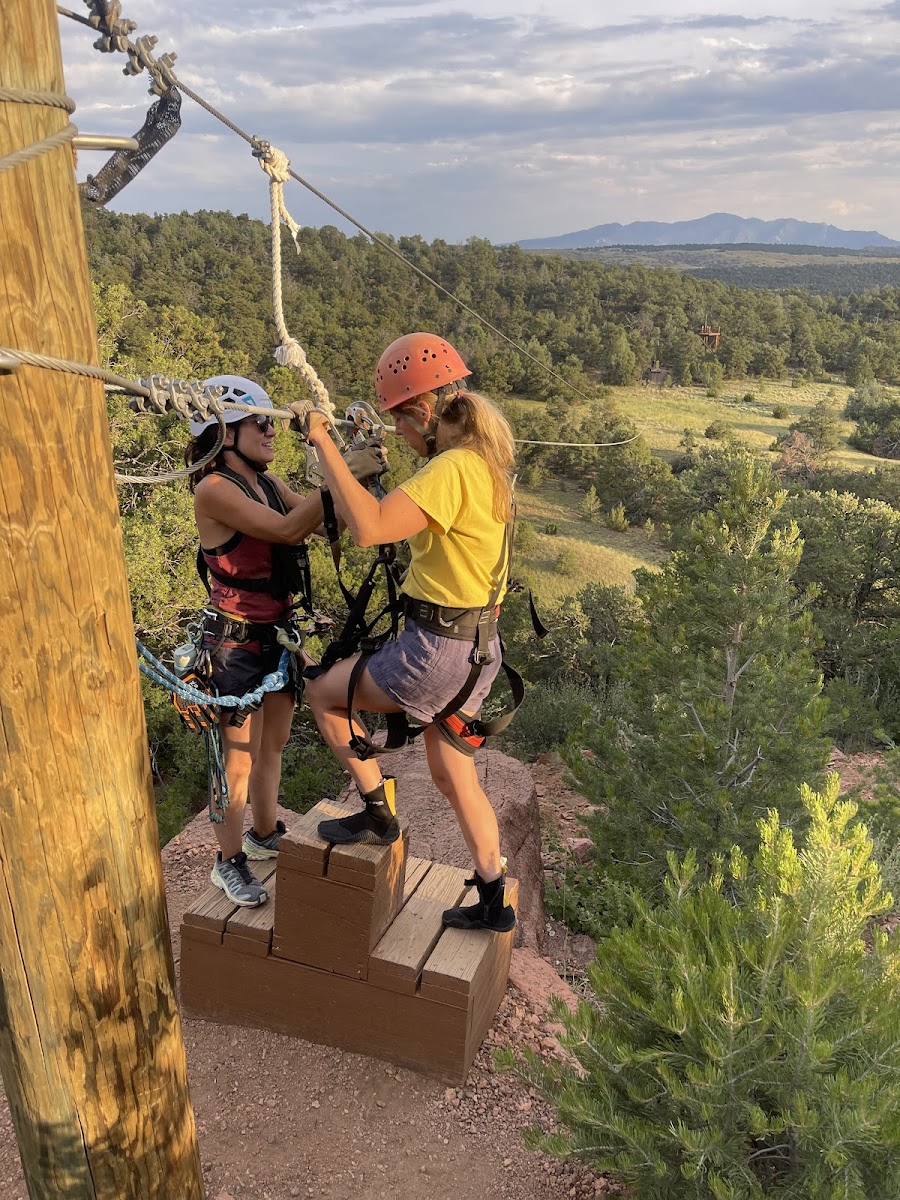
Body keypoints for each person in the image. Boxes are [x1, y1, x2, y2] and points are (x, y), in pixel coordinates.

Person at [298, 334, 518, 933]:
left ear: (424, 411)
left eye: (399, 419)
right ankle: (494, 898)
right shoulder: (485, 465)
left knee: (322, 692)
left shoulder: (451, 468)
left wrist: (323, 441)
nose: (397, 432)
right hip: (479, 650)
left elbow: (369, 529)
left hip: (436, 652)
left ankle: (376, 813)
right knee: (453, 775)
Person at [187, 375, 384, 908]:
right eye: (259, 423)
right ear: (225, 433)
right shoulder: (214, 489)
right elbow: (286, 531)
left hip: (275, 633)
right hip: (233, 643)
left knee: (270, 744)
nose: (270, 431)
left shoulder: (268, 484)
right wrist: (338, 476)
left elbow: (320, 524)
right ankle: (228, 860)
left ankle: (263, 832)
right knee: (236, 761)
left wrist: (356, 479)